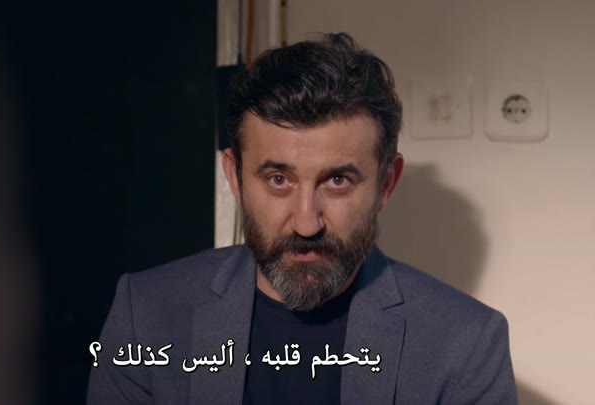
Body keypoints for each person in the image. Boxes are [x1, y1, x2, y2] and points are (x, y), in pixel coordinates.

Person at [87, 33, 517, 404]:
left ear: (386, 184)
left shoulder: (467, 344)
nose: (307, 224)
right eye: (279, 180)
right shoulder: (146, 314)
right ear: (235, 178)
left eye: (338, 181)